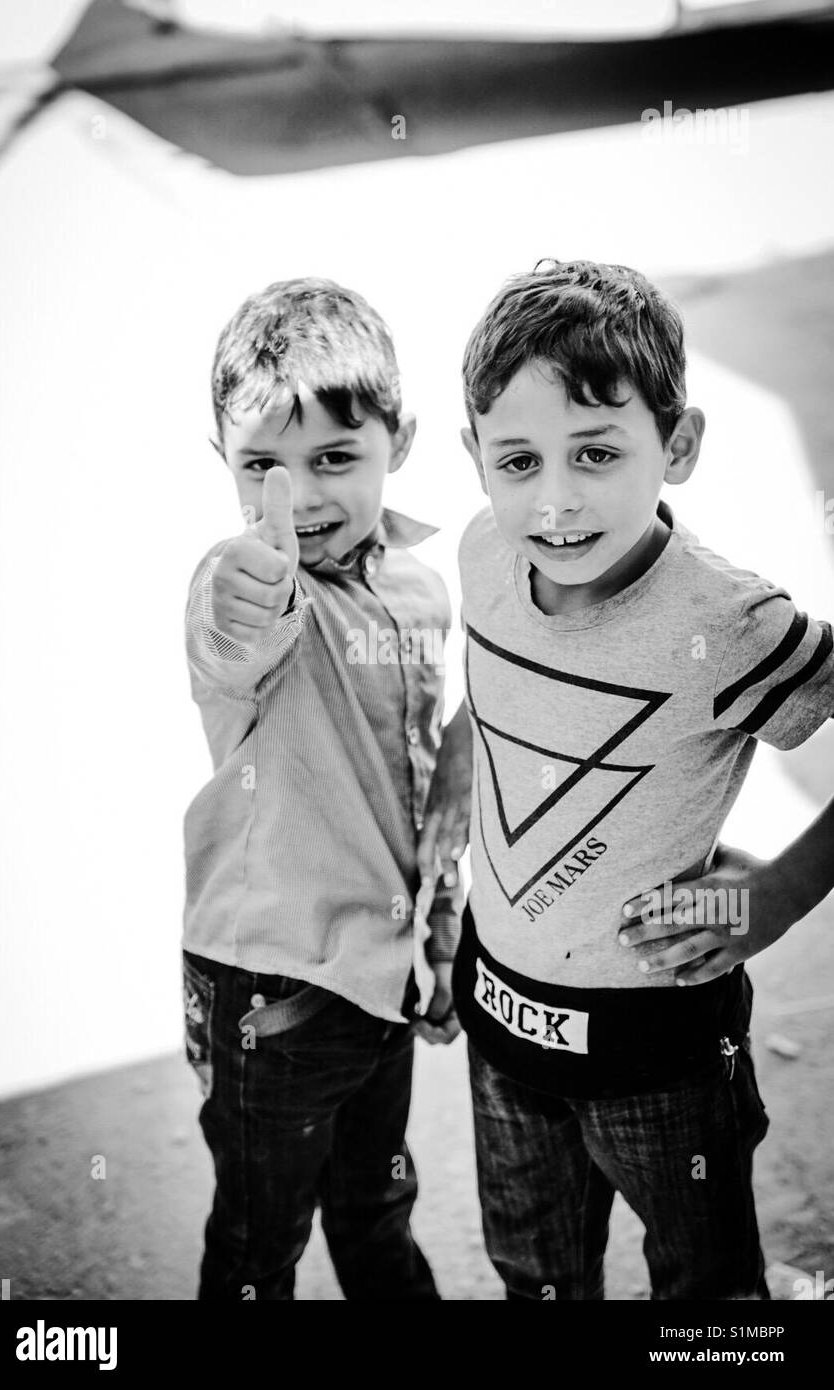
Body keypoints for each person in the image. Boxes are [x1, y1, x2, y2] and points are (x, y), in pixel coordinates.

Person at [419, 258, 834, 1300]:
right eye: (517, 460)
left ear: (678, 445)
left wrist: (775, 894)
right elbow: (492, 709)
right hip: (501, 1024)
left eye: (596, 452)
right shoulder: (480, 557)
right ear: (473, 457)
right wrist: (442, 828)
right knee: (534, 1273)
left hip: (662, 1056)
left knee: (703, 1287)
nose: (554, 502)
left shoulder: (725, 621)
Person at [182, 278, 460, 1301]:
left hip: (378, 979)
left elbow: (427, 780)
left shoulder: (422, 587)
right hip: (272, 988)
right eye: (261, 465)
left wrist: (438, 937)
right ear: (224, 461)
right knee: (259, 1248)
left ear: (402, 437)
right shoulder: (250, 585)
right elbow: (226, 630)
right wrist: (238, 584)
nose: (293, 498)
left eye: (335, 458)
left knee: (377, 1208)